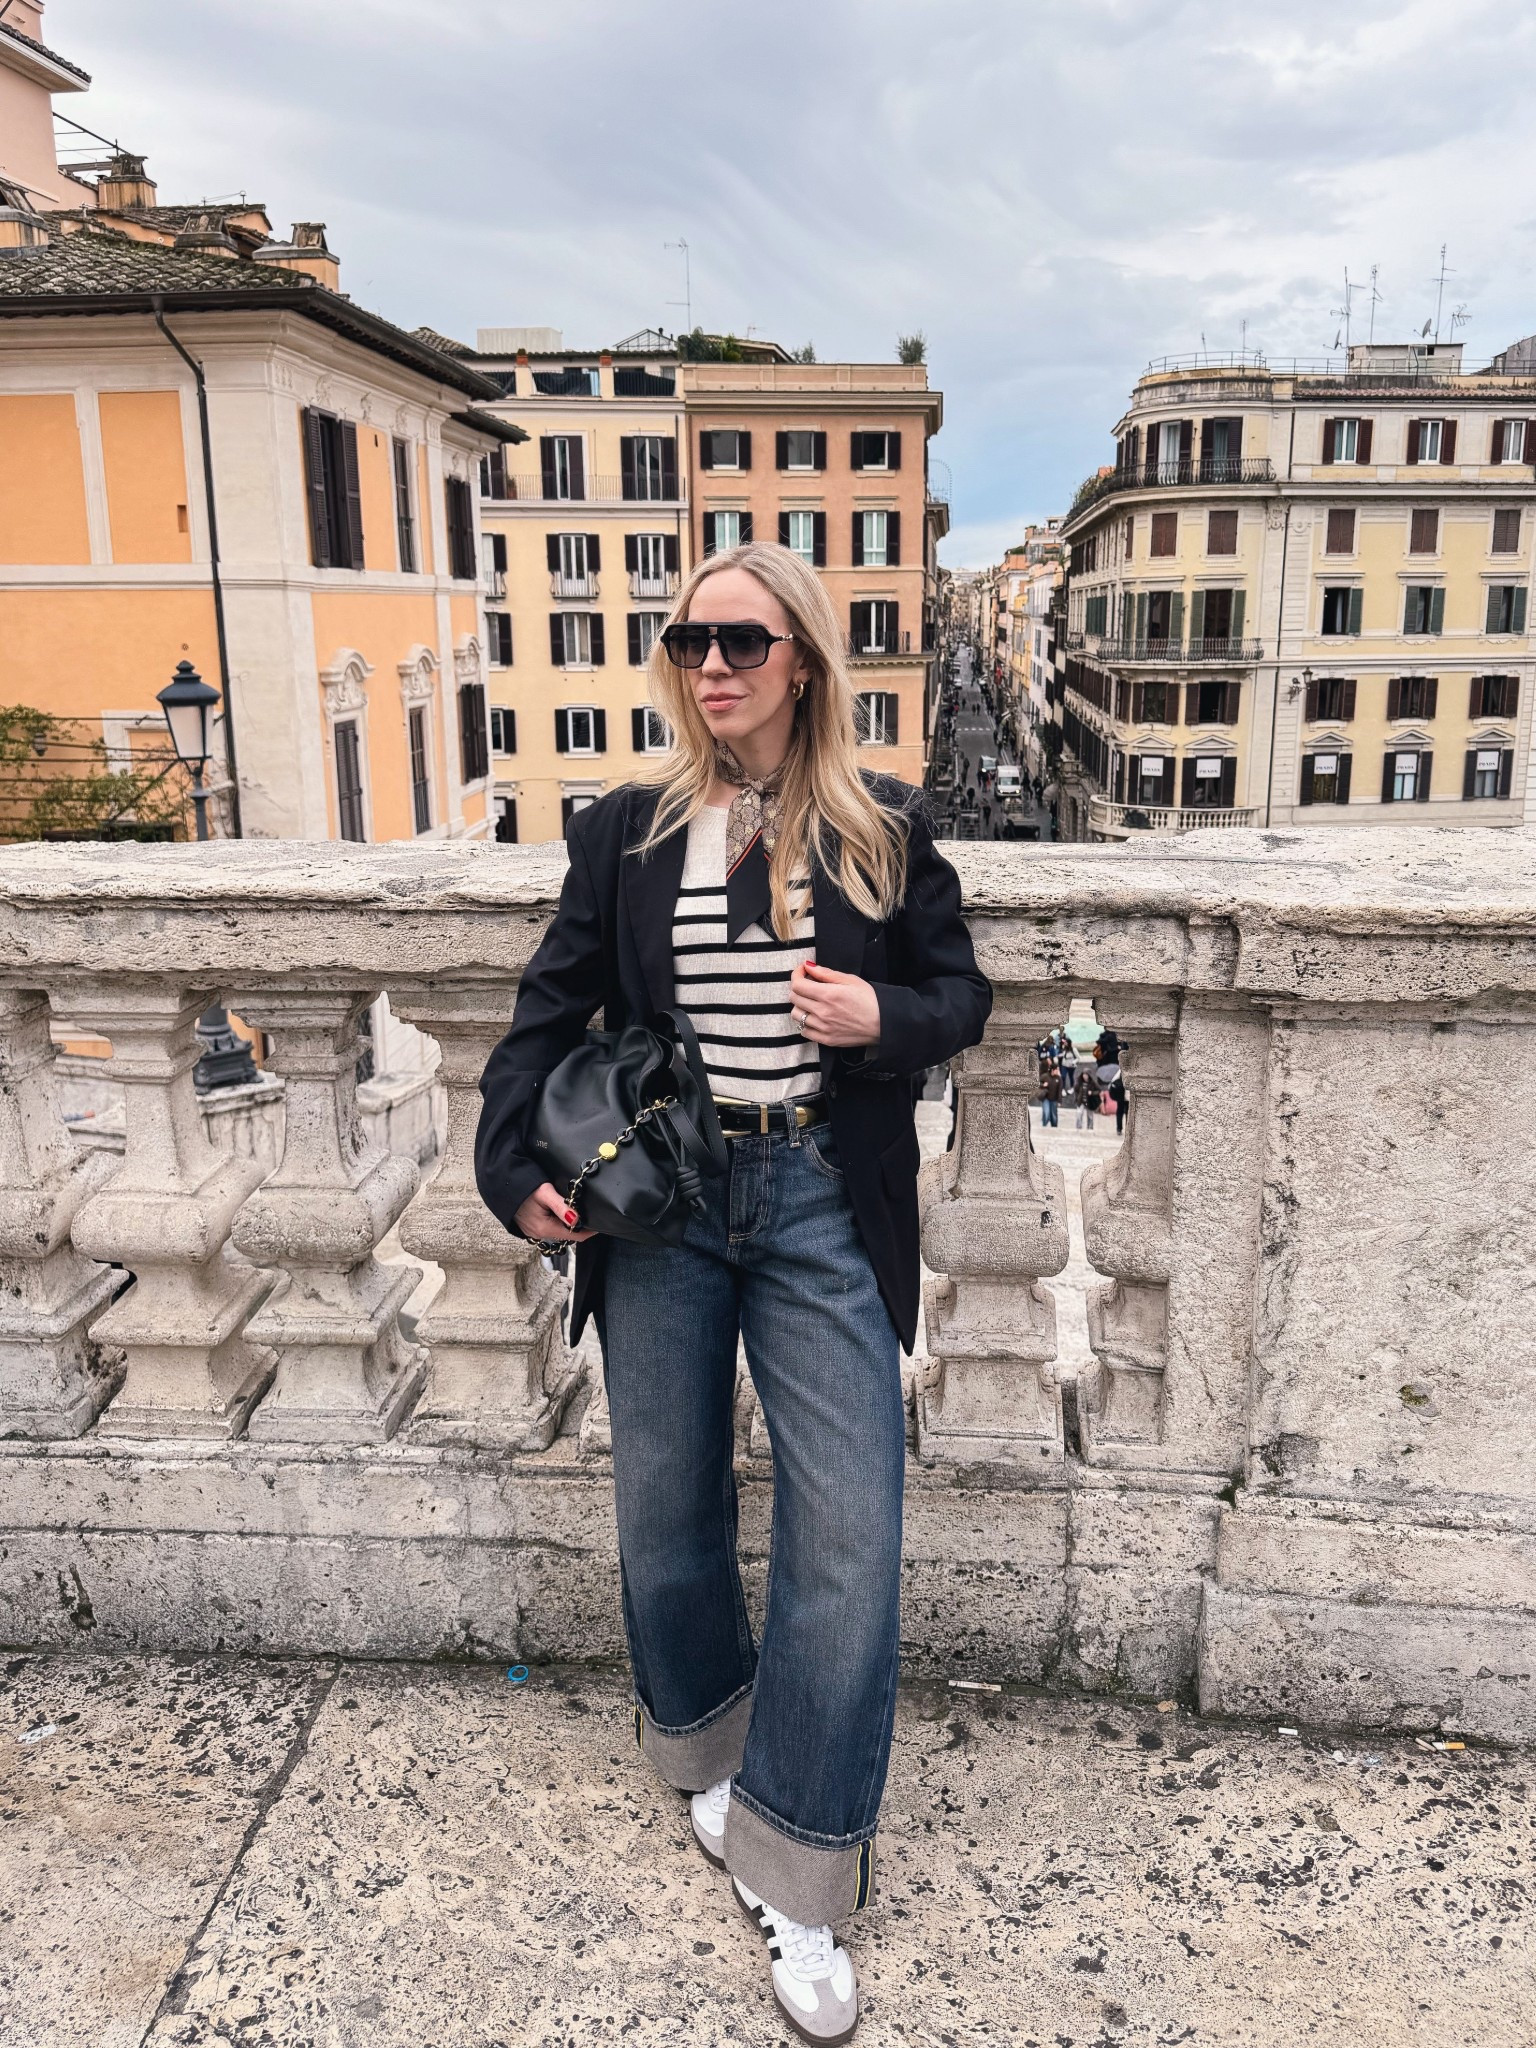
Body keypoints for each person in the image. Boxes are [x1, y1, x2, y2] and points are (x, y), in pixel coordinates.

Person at [475, 541, 992, 2044]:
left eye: (745, 643)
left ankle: (803, 1869)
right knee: (667, 1504)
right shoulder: (629, 831)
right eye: (691, 638)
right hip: (667, 1207)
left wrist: (879, 1012)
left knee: (853, 1528)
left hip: (823, 1196)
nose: (714, 664)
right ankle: (703, 1744)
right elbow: (547, 1013)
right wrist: (512, 1169)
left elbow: (961, 998)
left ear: (804, 661)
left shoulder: (881, 826)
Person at [1040, 1059, 1062, 1128]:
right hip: (1046, 1098)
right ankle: (1044, 1126)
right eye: (1057, 1070)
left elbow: (1059, 1091)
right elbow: (1037, 1083)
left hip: (1054, 1099)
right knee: (1046, 1113)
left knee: (1054, 1115)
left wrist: (1059, 1101)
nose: (1058, 1071)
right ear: (1053, 1070)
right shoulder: (1045, 1076)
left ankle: (1054, 1127)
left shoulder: (1059, 1079)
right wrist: (1043, 1085)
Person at [1109, 1069, 1128, 1136]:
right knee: (1122, 1113)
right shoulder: (1121, 1070)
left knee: (1126, 1113)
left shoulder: (1121, 1070)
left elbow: (1113, 1081)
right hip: (1122, 1096)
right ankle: (1120, 1129)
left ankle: (1124, 1129)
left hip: (1125, 1096)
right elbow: (1113, 1082)